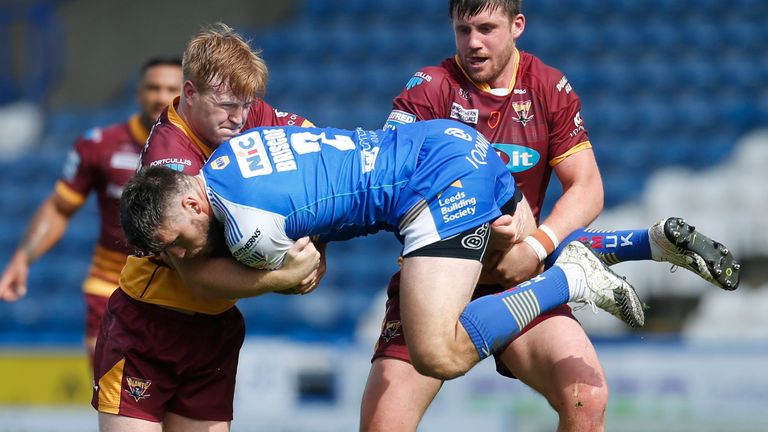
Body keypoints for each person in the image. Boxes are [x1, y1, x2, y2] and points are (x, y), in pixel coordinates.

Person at [360, 1, 741, 431]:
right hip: (436, 282)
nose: (474, 43)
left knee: (587, 398)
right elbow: (387, 180)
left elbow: (588, 187)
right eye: (463, 30)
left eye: (487, 28)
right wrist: (479, 219)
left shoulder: (548, 87)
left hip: (516, 280)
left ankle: (608, 255)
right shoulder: (431, 87)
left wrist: (535, 245)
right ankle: (623, 250)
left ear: (517, 25)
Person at [119, 120, 645, 392]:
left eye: (175, 241)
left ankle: (572, 279)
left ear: (192, 202)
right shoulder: (231, 152)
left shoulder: (247, 232)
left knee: (438, 353)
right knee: (509, 266)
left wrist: (276, 279)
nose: (179, 255)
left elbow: (302, 272)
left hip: (432, 187)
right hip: (451, 142)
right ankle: (639, 243)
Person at [91, 24, 321, 432]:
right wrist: (284, 274)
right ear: (191, 93)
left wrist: (317, 246)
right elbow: (197, 275)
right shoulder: (169, 159)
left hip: (215, 329)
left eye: (247, 105)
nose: (240, 118)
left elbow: (322, 159)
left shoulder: (245, 112)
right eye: (227, 105)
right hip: (149, 325)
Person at [0, 57, 182, 364]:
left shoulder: (203, 148)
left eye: (170, 89)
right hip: (111, 284)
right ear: (138, 93)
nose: (161, 97)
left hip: (179, 285)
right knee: (111, 393)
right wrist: (23, 257)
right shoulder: (101, 145)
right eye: (152, 87)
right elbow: (60, 208)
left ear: (186, 94)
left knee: (169, 403)